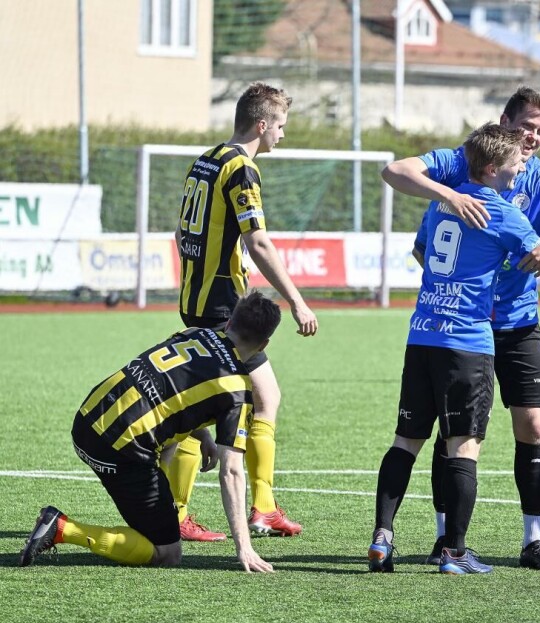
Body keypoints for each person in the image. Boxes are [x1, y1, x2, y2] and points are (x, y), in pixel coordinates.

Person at [381, 86, 540, 571]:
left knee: (533, 425)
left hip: (517, 321)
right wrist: (451, 201)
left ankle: (533, 539)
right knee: (453, 434)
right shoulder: (461, 162)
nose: (533, 138)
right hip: (464, 330)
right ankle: (447, 540)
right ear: (504, 122)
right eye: (526, 126)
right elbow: (399, 182)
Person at [20, 292, 282, 572]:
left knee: (169, 442)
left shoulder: (193, 333)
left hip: (88, 417)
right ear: (263, 344)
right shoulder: (237, 390)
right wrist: (244, 547)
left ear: (229, 323)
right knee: (167, 553)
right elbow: (231, 471)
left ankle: (158, 514)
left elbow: (168, 386)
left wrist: (203, 434)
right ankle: (62, 528)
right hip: (117, 448)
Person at [167, 81, 318, 541]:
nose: (283, 134)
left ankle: (192, 512)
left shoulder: (206, 158)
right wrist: (296, 301)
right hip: (222, 307)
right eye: (281, 126)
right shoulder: (241, 169)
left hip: (194, 299)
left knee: (212, 400)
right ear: (261, 124)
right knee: (261, 399)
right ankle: (255, 510)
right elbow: (258, 241)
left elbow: (181, 234)